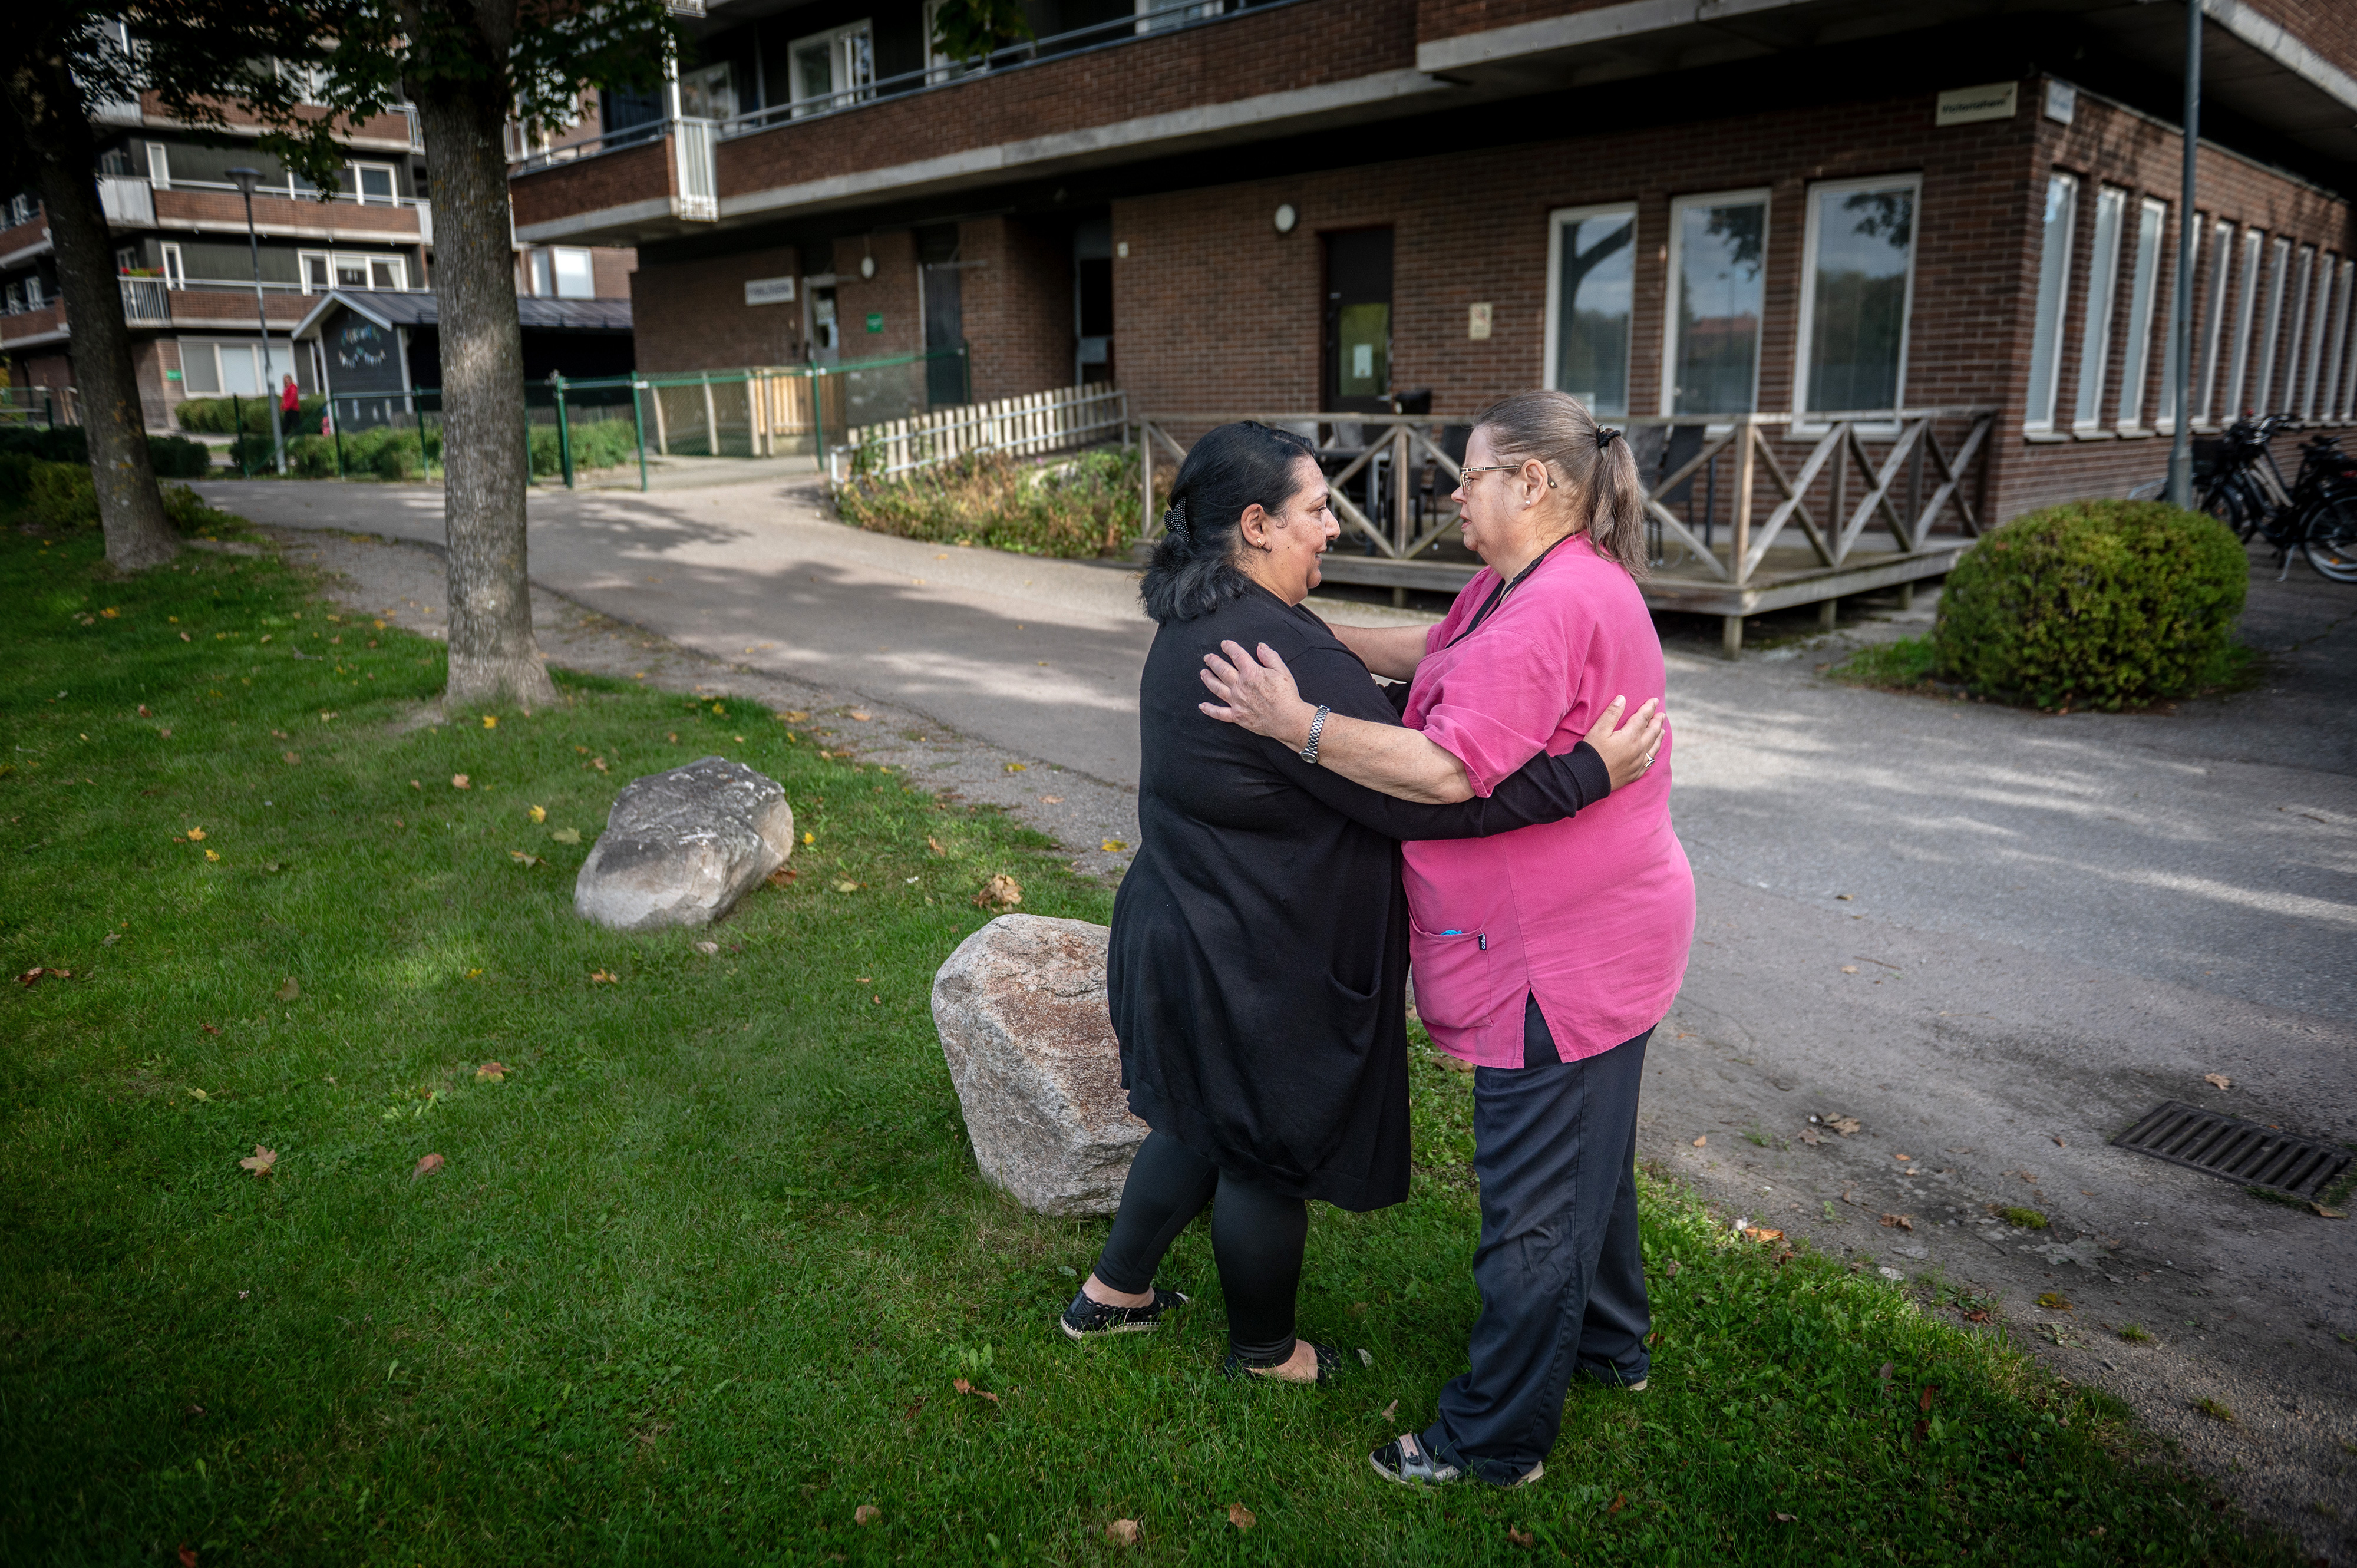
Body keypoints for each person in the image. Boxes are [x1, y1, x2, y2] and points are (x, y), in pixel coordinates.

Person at [1061, 421, 1663, 1384]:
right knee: (1261, 1151)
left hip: (1182, 925)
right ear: (1255, 526)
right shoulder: (1269, 662)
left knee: (1199, 1123)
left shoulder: (1204, 614)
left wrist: (1356, 666)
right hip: (1253, 951)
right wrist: (1586, 772)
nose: (1333, 527)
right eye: (1315, 510)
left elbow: (1421, 669)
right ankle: (1266, 1353)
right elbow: (1432, 797)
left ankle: (1113, 1294)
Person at [1196, 390, 1694, 1479]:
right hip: (1604, 929)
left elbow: (1450, 769)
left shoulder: (1559, 605)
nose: (1452, 492)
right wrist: (1299, 631)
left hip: (1556, 954)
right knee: (1591, 1164)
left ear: (1536, 484)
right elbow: (1436, 644)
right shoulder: (1520, 583)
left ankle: (1495, 1438)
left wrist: (1302, 724)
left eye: (1470, 475)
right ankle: (1613, 1345)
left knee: (1535, 1204)